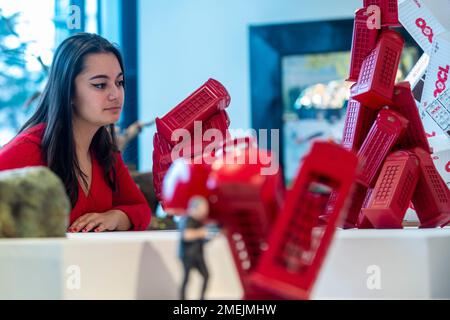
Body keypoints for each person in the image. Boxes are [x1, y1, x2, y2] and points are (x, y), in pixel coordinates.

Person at [0, 33, 151, 232]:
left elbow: (141, 210)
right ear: (68, 91)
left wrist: (116, 217)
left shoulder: (104, 150)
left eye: (119, 82)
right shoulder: (29, 148)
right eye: (100, 85)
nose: (116, 94)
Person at [178, 196, 210, 300]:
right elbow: (187, 235)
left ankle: (202, 298)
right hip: (188, 255)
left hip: (198, 254)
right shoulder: (187, 219)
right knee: (187, 278)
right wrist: (201, 233)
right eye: (203, 208)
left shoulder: (200, 221)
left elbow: (202, 237)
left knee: (206, 275)